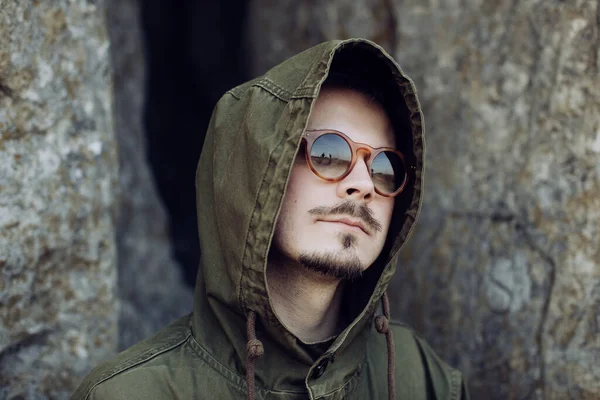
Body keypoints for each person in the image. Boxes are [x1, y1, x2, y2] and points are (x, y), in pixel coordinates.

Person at [72, 38, 469, 400]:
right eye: (329, 153)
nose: (364, 184)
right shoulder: (129, 394)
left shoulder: (421, 378)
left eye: (384, 167)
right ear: (255, 172)